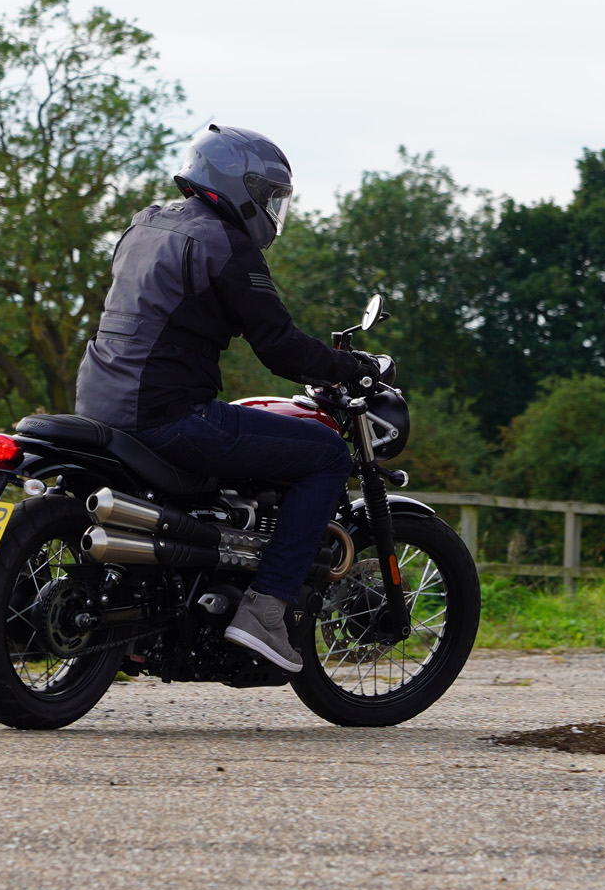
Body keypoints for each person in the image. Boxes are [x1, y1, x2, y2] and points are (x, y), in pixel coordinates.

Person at [73, 124, 382, 672]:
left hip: (97, 406)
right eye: (267, 194)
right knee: (326, 455)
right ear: (238, 184)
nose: (269, 208)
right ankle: (263, 613)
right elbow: (281, 349)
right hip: (169, 418)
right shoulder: (225, 244)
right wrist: (351, 368)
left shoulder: (144, 223)